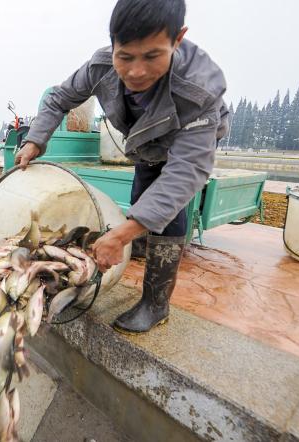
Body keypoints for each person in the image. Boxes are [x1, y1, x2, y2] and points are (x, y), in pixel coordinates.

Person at [15, 0, 228, 334]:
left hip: (187, 143)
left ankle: (156, 304)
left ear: (178, 39)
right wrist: (34, 140)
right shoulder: (100, 67)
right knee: (144, 185)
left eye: (152, 56)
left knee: (169, 208)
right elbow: (58, 98)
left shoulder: (198, 90)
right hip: (146, 144)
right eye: (125, 56)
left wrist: (124, 232)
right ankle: (142, 239)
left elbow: (186, 172)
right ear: (112, 43)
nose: (136, 71)